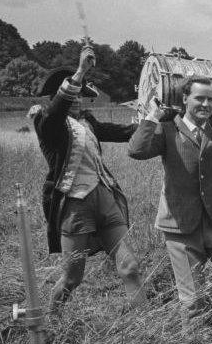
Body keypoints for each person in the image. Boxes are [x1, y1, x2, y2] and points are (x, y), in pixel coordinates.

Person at [128, 75, 212, 317]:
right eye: (199, 98)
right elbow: (136, 151)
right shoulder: (167, 129)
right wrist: (153, 115)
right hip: (181, 227)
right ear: (184, 99)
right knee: (191, 302)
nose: (206, 104)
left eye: (211, 99)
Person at [33, 45, 145, 312]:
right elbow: (56, 112)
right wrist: (81, 70)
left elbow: (124, 131)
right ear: (56, 94)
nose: (79, 98)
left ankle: (144, 324)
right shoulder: (47, 122)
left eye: (81, 93)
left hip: (104, 198)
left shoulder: (88, 123)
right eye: (74, 91)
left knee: (130, 267)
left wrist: (154, 120)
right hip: (74, 204)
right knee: (73, 278)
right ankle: (52, 321)